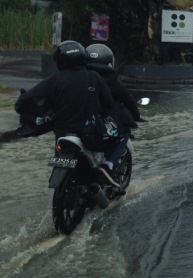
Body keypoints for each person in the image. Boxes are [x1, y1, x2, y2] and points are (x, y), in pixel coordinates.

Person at [15, 40, 117, 186]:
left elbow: (26, 99)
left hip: (63, 134)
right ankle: (102, 177)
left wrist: (21, 108)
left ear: (60, 60)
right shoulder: (94, 77)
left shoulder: (55, 79)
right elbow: (108, 102)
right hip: (90, 135)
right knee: (107, 150)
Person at [86, 43, 142, 180]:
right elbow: (128, 99)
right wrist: (136, 116)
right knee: (125, 132)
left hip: (79, 123)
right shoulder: (112, 80)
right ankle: (109, 164)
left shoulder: (79, 77)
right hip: (103, 124)